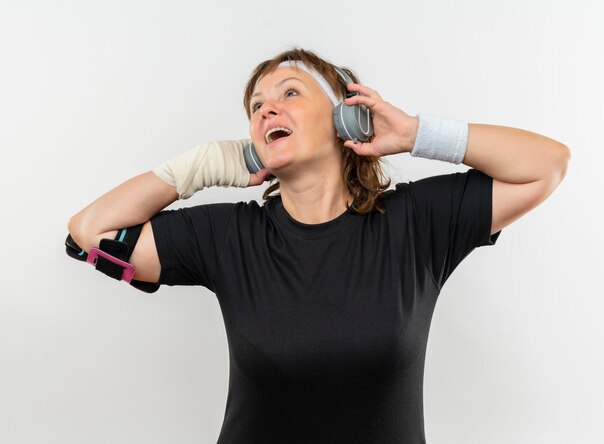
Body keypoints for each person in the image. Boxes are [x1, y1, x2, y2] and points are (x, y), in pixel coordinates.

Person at [67, 48, 570, 443]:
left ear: (346, 121)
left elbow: (545, 165)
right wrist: (201, 166)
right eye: (256, 106)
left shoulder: (417, 222)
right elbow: (91, 232)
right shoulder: (229, 236)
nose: (267, 110)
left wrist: (415, 134)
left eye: (289, 93)